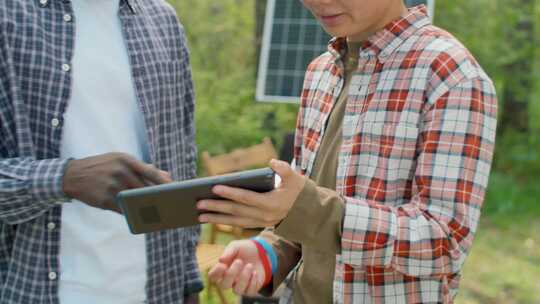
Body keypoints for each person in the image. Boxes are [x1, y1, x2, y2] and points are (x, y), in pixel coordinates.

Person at [199, 1, 498, 303]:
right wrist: (269, 251)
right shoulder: (320, 72)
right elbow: (303, 208)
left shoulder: (451, 76)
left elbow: (444, 244)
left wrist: (309, 208)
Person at [0, 0, 201, 303]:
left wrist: (188, 281)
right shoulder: (8, 15)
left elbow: (181, 156)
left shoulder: (162, 20)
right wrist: (63, 178)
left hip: (157, 290)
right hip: (36, 290)